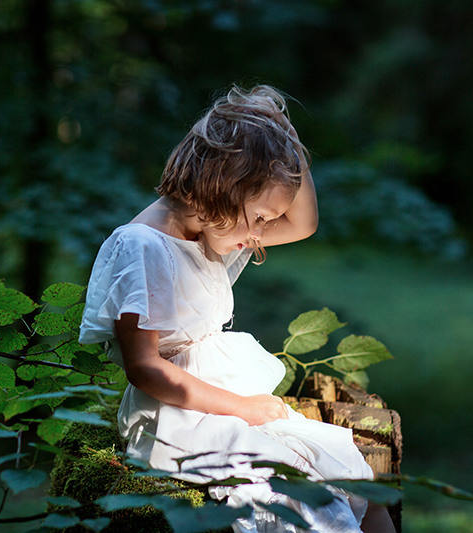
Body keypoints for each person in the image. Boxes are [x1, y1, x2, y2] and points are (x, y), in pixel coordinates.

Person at [79, 85, 396, 533]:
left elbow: (303, 223)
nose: (264, 231)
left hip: (229, 402)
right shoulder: (144, 247)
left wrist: (285, 138)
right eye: (263, 216)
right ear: (225, 185)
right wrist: (243, 408)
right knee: (299, 498)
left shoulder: (214, 228)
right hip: (177, 415)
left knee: (355, 479)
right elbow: (145, 368)